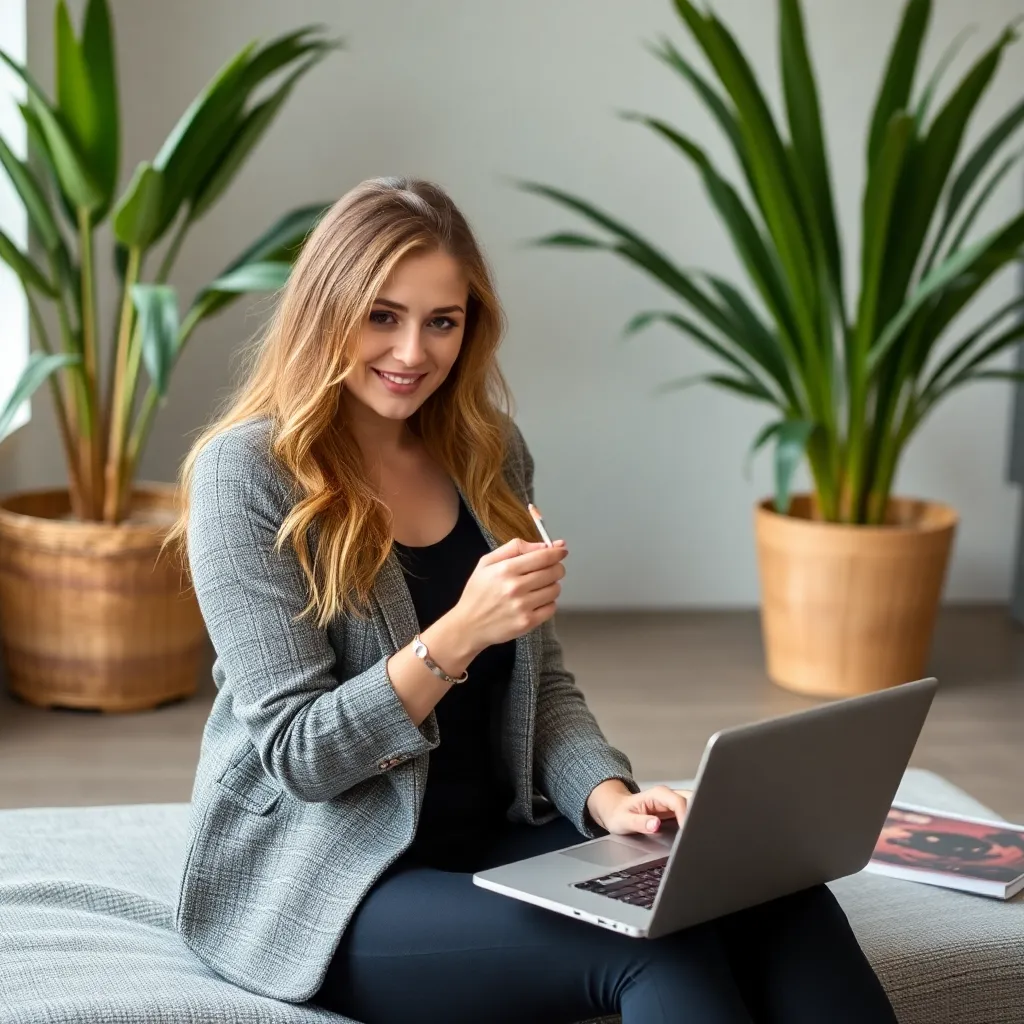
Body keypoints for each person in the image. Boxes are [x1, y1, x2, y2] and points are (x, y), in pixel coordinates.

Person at [167, 177, 898, 1024]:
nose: (413, 352)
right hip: (335, 878)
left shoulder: (488, 453)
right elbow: (302, 756)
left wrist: (608, 797)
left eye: (442, 321)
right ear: (325, 310)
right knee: (648, 947)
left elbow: (538, 682)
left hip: (497, 831)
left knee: (768, 890)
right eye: (382, 315)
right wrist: (458, 633)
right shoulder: (246, 473)